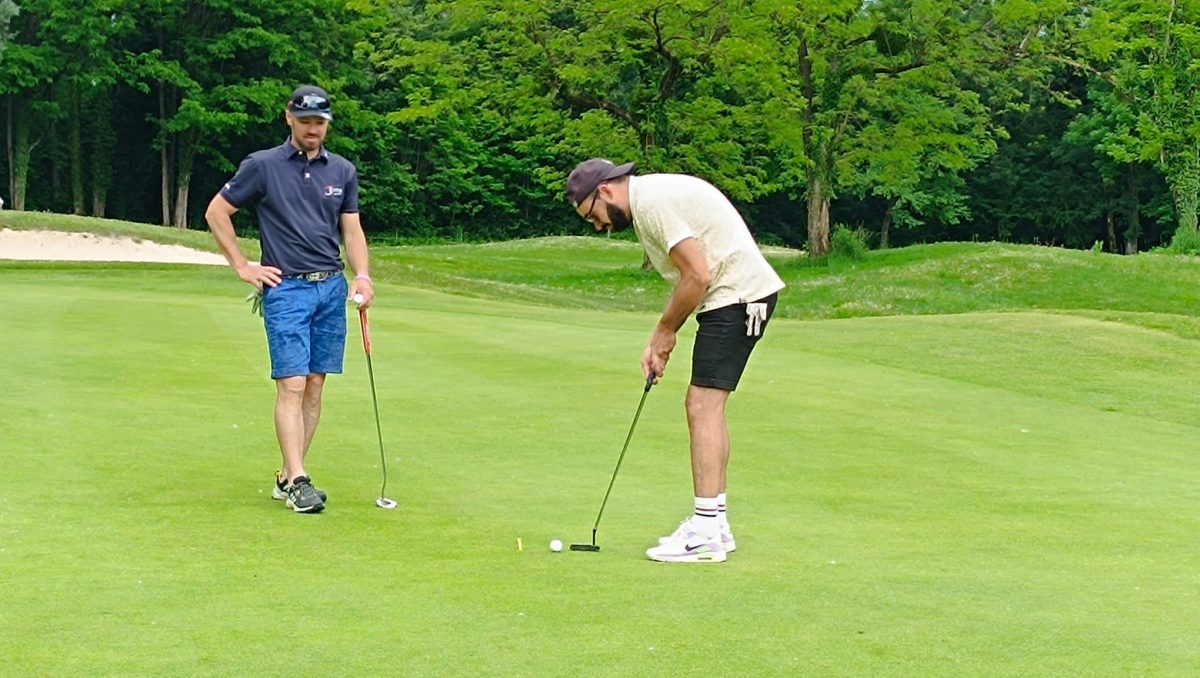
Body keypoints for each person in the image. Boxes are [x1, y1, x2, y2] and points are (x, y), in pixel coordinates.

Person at [566, 159, 785, 563]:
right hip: (738, 296)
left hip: (736, 296)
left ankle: (705, 531)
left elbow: (697, 276)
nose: (597, 226)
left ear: (606, 191)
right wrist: (663, 335)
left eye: (592, 215)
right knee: (708, 405)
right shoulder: (649, 198)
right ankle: (716, 524)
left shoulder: (651, 203)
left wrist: (664, 332)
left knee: (702, 405)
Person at [205, 85, 374, 514]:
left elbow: (351, 229)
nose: (313, 129)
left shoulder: (342, 171)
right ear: (289, 118)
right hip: (287, 288)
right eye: (305, 122)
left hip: (331, 287)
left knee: (315, 385)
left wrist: (363, 276)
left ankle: (287, 476)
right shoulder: (262, 166)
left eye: (319, 123)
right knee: (292, 384)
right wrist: (242, 265)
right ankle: (299, 481)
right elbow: (217, 212)